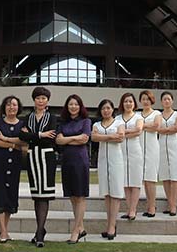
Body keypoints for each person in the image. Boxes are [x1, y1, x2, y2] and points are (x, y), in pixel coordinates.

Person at [20, 86, 58, 247]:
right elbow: (22, 135)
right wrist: (41, 134)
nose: (41, 101)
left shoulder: (52, 117)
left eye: (43, 98)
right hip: (33, 156)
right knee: (36, 194)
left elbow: (52, 137)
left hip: (47, 156)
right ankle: (40, 230)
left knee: (44, 195)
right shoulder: (28, 117)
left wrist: (32, 135)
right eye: (38, 98)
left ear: (47, 101)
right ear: (34, 100)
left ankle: (40, 232)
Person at [56, 94, 91, 244]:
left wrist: (67, 139)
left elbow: (85, 139)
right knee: (72, 195)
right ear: (67, 106)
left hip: (80, 160)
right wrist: (75, 138)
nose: (73, 107)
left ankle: (75, 231)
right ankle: (81, 227)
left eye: (76, 104)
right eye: (70, 104)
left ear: (80, 106)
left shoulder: (86, 121)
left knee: (80, 195)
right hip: (67, 161)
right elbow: (58, 140)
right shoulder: (62, 122)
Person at [0, 95, 24, 243]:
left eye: (14, 105)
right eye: (9, 105)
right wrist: (13, 145)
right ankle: (3, 231)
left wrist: (6, 139)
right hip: (0, 163)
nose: (11, 107)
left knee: (10, 194)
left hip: (15, 164)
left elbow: (24, 142)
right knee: (0, 194)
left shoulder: (22, 124)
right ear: (4, 107)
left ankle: (4, 229)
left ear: (18, 107)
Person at [92, 99, 124, 241]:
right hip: (103, 161)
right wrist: (111, 136)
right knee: (106, 192)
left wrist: (103, 137)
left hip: (116, 160)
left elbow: (120, 138)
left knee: (115, 192)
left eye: (108, 108)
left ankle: (112, 226)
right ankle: (109, 223)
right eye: (103, 108)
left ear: (112, 109)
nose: (106, 110)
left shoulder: (119, 123)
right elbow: (94, 137)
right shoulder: (96, 124)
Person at [117, 92, 144, 219]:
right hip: (121, 151)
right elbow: (117, 133)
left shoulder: (138, 117)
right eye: (126, 101)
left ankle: (133, 210)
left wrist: (123, 132)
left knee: (135, 181)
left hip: (135, 151)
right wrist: (128, 132)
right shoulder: (117, 118)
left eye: (130, 101)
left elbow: (138, 131)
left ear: (134, 103)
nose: (128, 104)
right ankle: (129, 209)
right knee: (125, 182)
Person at [158, 92, 177, 215]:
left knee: (174, 176)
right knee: (165, 176)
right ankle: (169, 202)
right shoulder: (158, 115)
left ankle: (174, 205)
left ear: (172, 101)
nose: (166, 101)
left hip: (174, 146)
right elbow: (157, 129)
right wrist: (168, 129)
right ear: (161, 102)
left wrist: (164, 130)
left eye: (168, 99)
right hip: (161, 146)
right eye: (164, 99)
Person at [138, 90, 161, 216]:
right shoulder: (137, 115)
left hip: (152, 148)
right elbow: (135, 128)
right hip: (139, 148)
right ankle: (148, 204)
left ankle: (152, 206)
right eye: (143, 99)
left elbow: (156, 126)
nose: (145, 101)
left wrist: (142, 126)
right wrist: (147, 126)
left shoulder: (156, 113)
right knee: (143, 179)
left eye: (148, 99)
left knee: (150, 178)